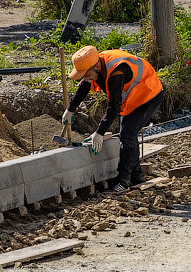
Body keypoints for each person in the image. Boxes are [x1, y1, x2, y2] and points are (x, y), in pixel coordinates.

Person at [62, 45, 165, 194]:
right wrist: (70, 110)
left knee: (127, 135)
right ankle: (135, 177)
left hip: (148, 94)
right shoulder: (96, 65)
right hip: (133, 97)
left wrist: (100, 133)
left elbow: (114, 107)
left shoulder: (116, 71)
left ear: (96, 67)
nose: (85, 78)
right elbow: (85, 85)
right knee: (128, 134)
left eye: (86, 74)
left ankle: (123, 181)